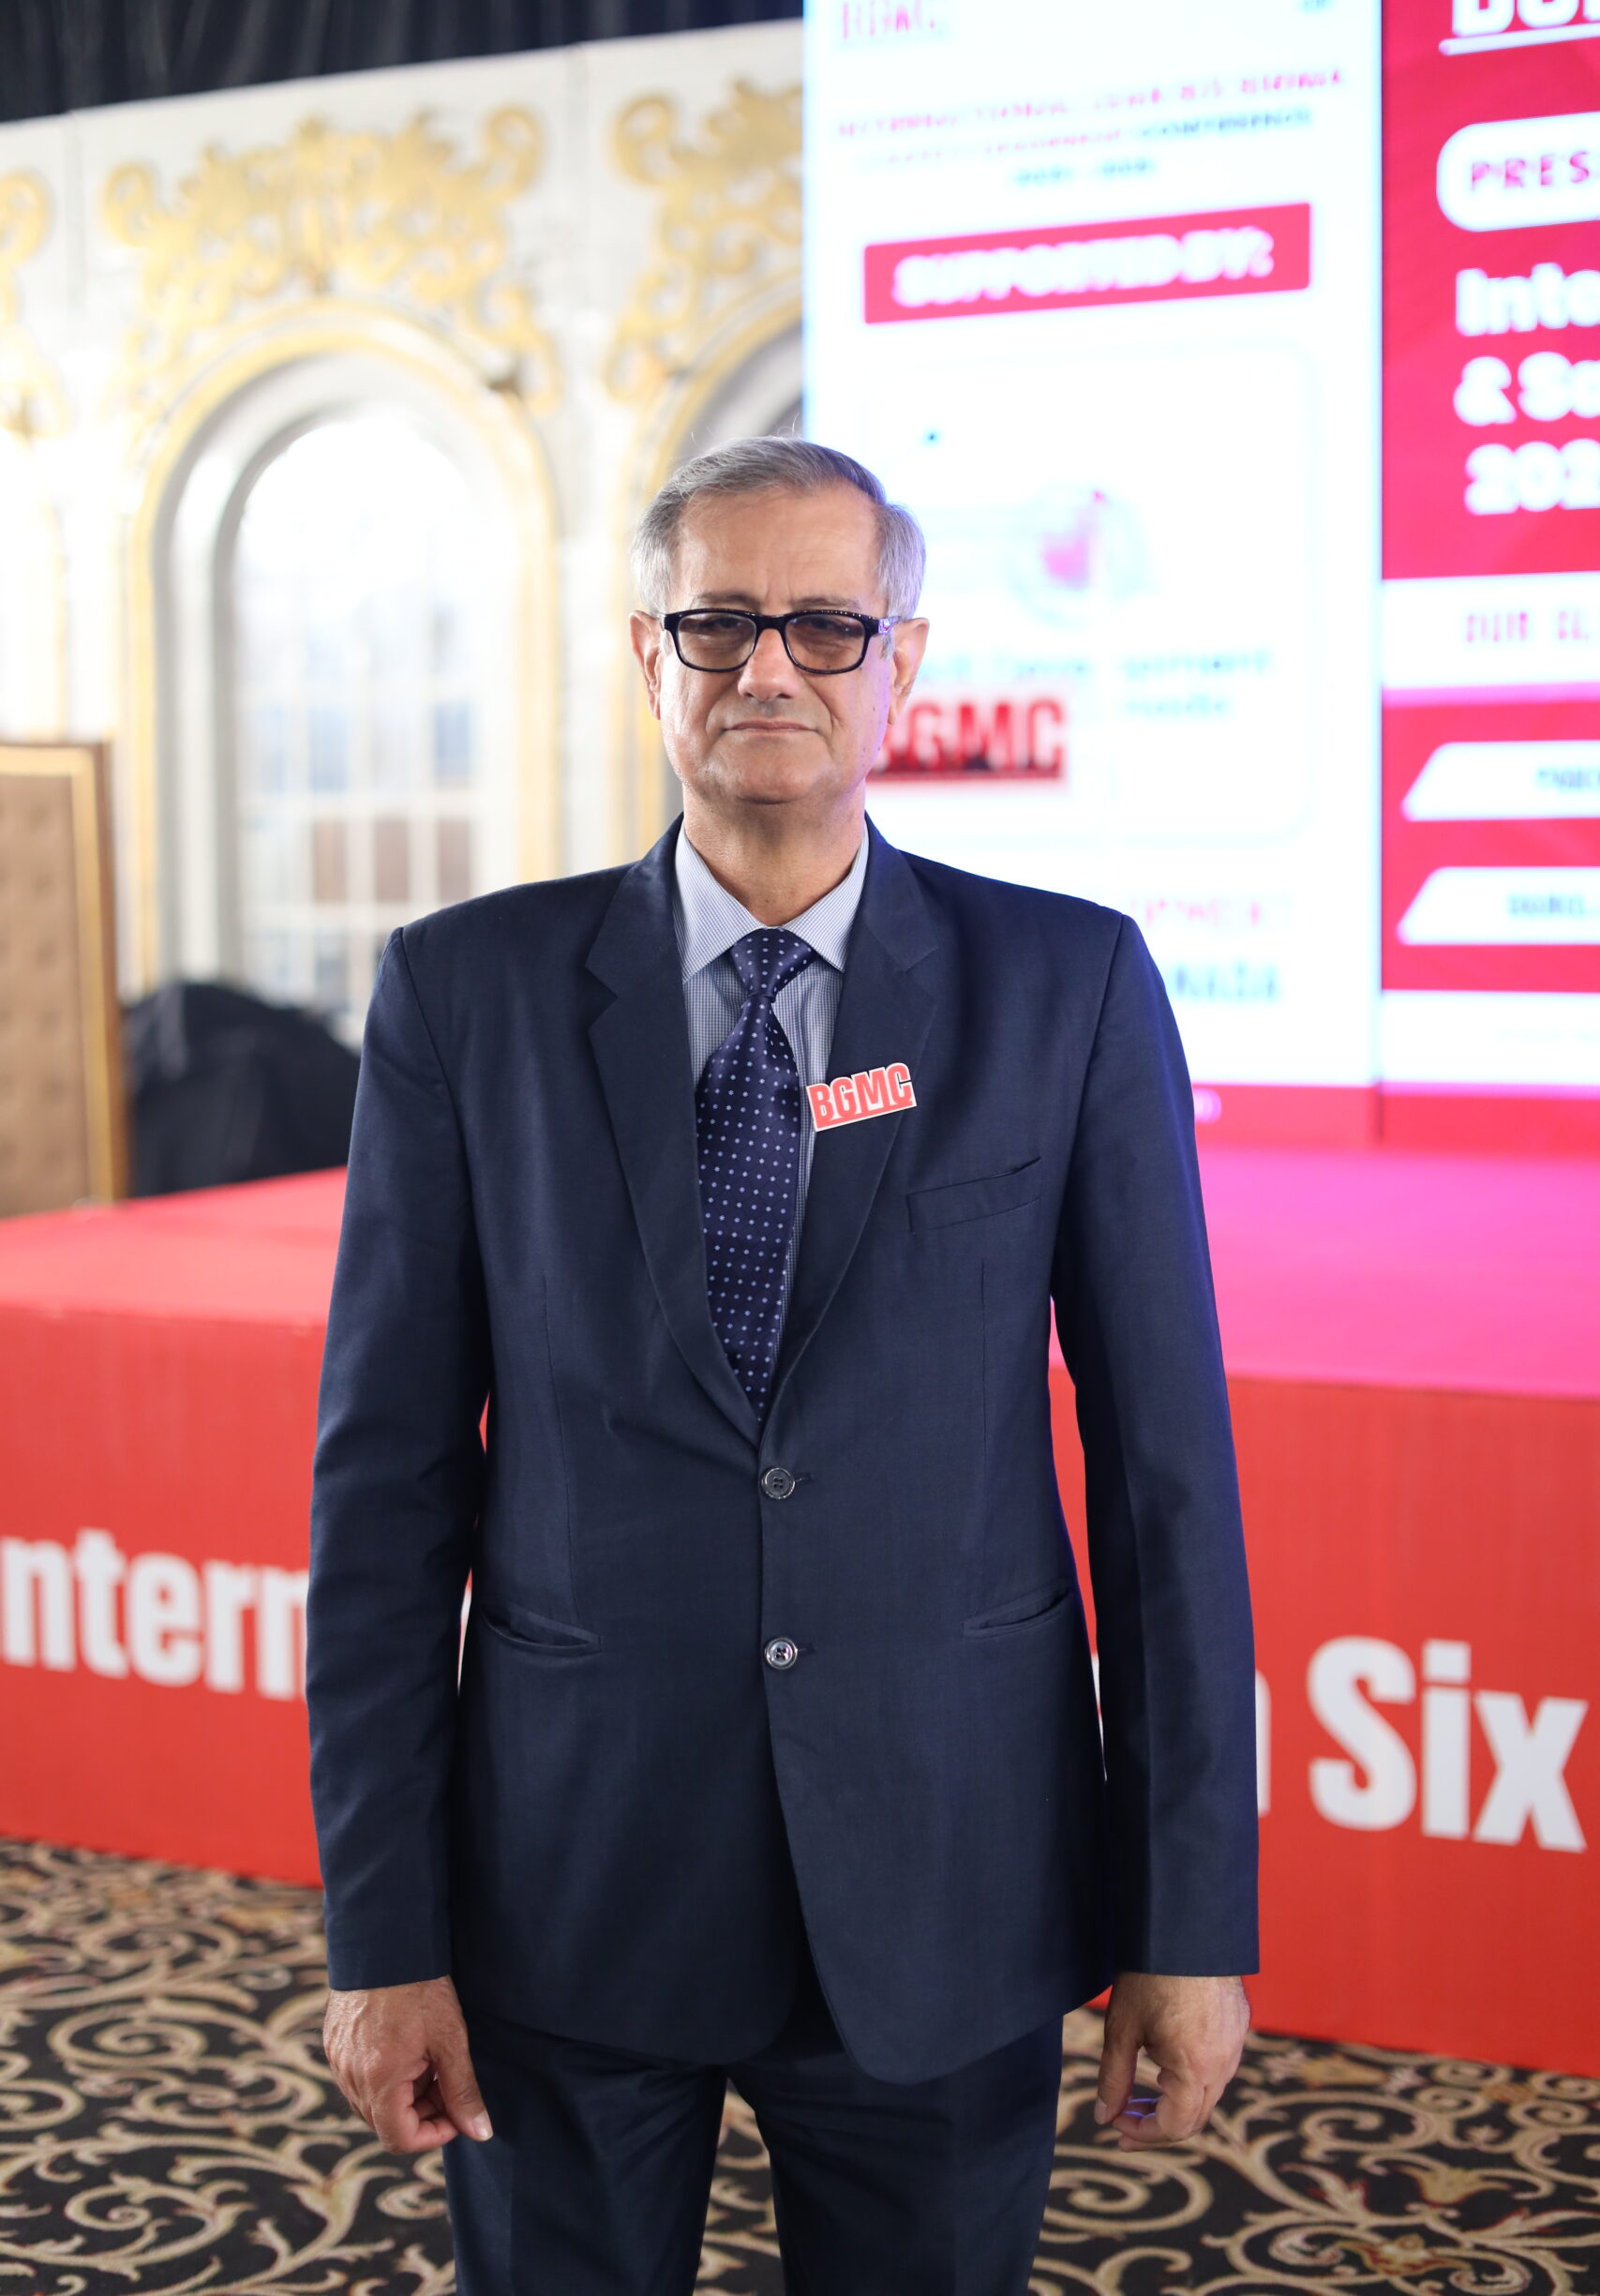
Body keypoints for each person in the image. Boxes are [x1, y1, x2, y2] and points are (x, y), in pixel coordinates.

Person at [307, 437, 1257, 2294]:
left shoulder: (1063, 987)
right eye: (717, 622)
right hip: (567, 1884)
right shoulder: (464, 992)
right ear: (643, 651)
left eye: (825, 624)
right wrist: (381, 1930)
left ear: (904, 661)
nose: (768, 668)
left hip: (948, 1875)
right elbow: (386, 1497)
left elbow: (1166, 1483)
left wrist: (1187, 1913)